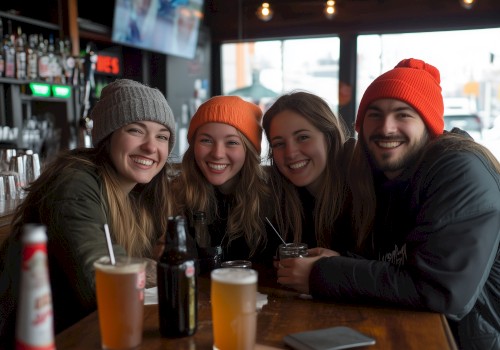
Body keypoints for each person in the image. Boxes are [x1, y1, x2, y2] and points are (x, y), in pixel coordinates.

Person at [276, 59, 500, 350]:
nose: (386, 127)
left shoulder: (459, 169)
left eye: (403, 114)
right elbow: (399, 266)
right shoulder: (379, 174)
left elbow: (442, 293)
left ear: (429, 125)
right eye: (374, 114)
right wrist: (337, 261)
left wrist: (323, 274)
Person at [0, 79, 176, 344]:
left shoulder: (143, 195)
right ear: (108, 136)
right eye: (136, 130)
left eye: (162, 136)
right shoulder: (73, 183)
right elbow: (102, 285)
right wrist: (165, 271)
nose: (151, 147)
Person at [172, 95, 277, 264]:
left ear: (249, 151)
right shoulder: (175, 196)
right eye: (206, 140)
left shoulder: (273, 200)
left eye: (232, 143)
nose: (217, 154)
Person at [262, 91, 351, 250]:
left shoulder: (362, 190)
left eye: (303, 137)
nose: (290, 153)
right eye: (279, 144)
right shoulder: (275, 199)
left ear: (329, 137)